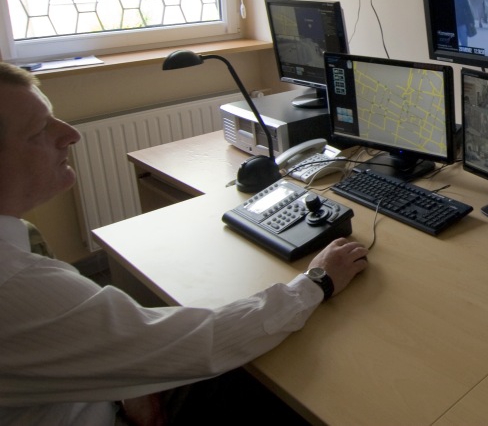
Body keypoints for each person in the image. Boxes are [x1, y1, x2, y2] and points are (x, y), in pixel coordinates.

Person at [0, 61, 369, 425]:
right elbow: (202, 344)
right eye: (37, 132)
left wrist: (128, 380)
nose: (70, 134)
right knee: (288, 384)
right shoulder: (16, 286)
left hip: (95, 394)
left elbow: (106, 344)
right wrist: (315, 282)